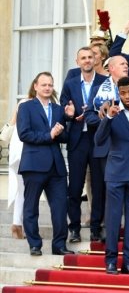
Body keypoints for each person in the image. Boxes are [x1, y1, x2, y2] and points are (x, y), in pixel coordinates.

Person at [17, 72, 75, 256]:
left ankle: (59, 245)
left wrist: (69, 119)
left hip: (56, 167)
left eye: (50, 85)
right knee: (31, 207)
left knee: (60, 208)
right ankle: (34, 244)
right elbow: (24, 134)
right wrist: (49, 135)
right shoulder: (26, 107)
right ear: (35, 86)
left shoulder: (58, 109)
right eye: (44, 85)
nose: (47, 88)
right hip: (33, 164)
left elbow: (64, 137)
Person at [94, 76, 129, 275]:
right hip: (116, 173)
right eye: (123, 93)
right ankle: (110, 261)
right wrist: (108, 117)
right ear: (118, 93)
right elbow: (99, 141)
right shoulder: (113, 113)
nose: (127, 96)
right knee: (114, 219)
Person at [60, 47, 107, 243]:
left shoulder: (104, 82)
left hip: (98, 139)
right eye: (83, 58)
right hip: (77, 140)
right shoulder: (70, 83)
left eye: (90, 57)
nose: (87, 60)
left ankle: (96, 228)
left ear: (96, 59)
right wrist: (69, 114)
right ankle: (75, 228)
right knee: (75, 187)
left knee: (98, 186)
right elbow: (63, 107)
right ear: (77, 61)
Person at [7, 94, 34, 240]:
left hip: (17, 152)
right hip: (25, 151)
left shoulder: (22, 103)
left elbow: (12, 123)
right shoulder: (32, 104)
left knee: (22, 189)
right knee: (24, 189)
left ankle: (18, 224)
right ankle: (18, 224)